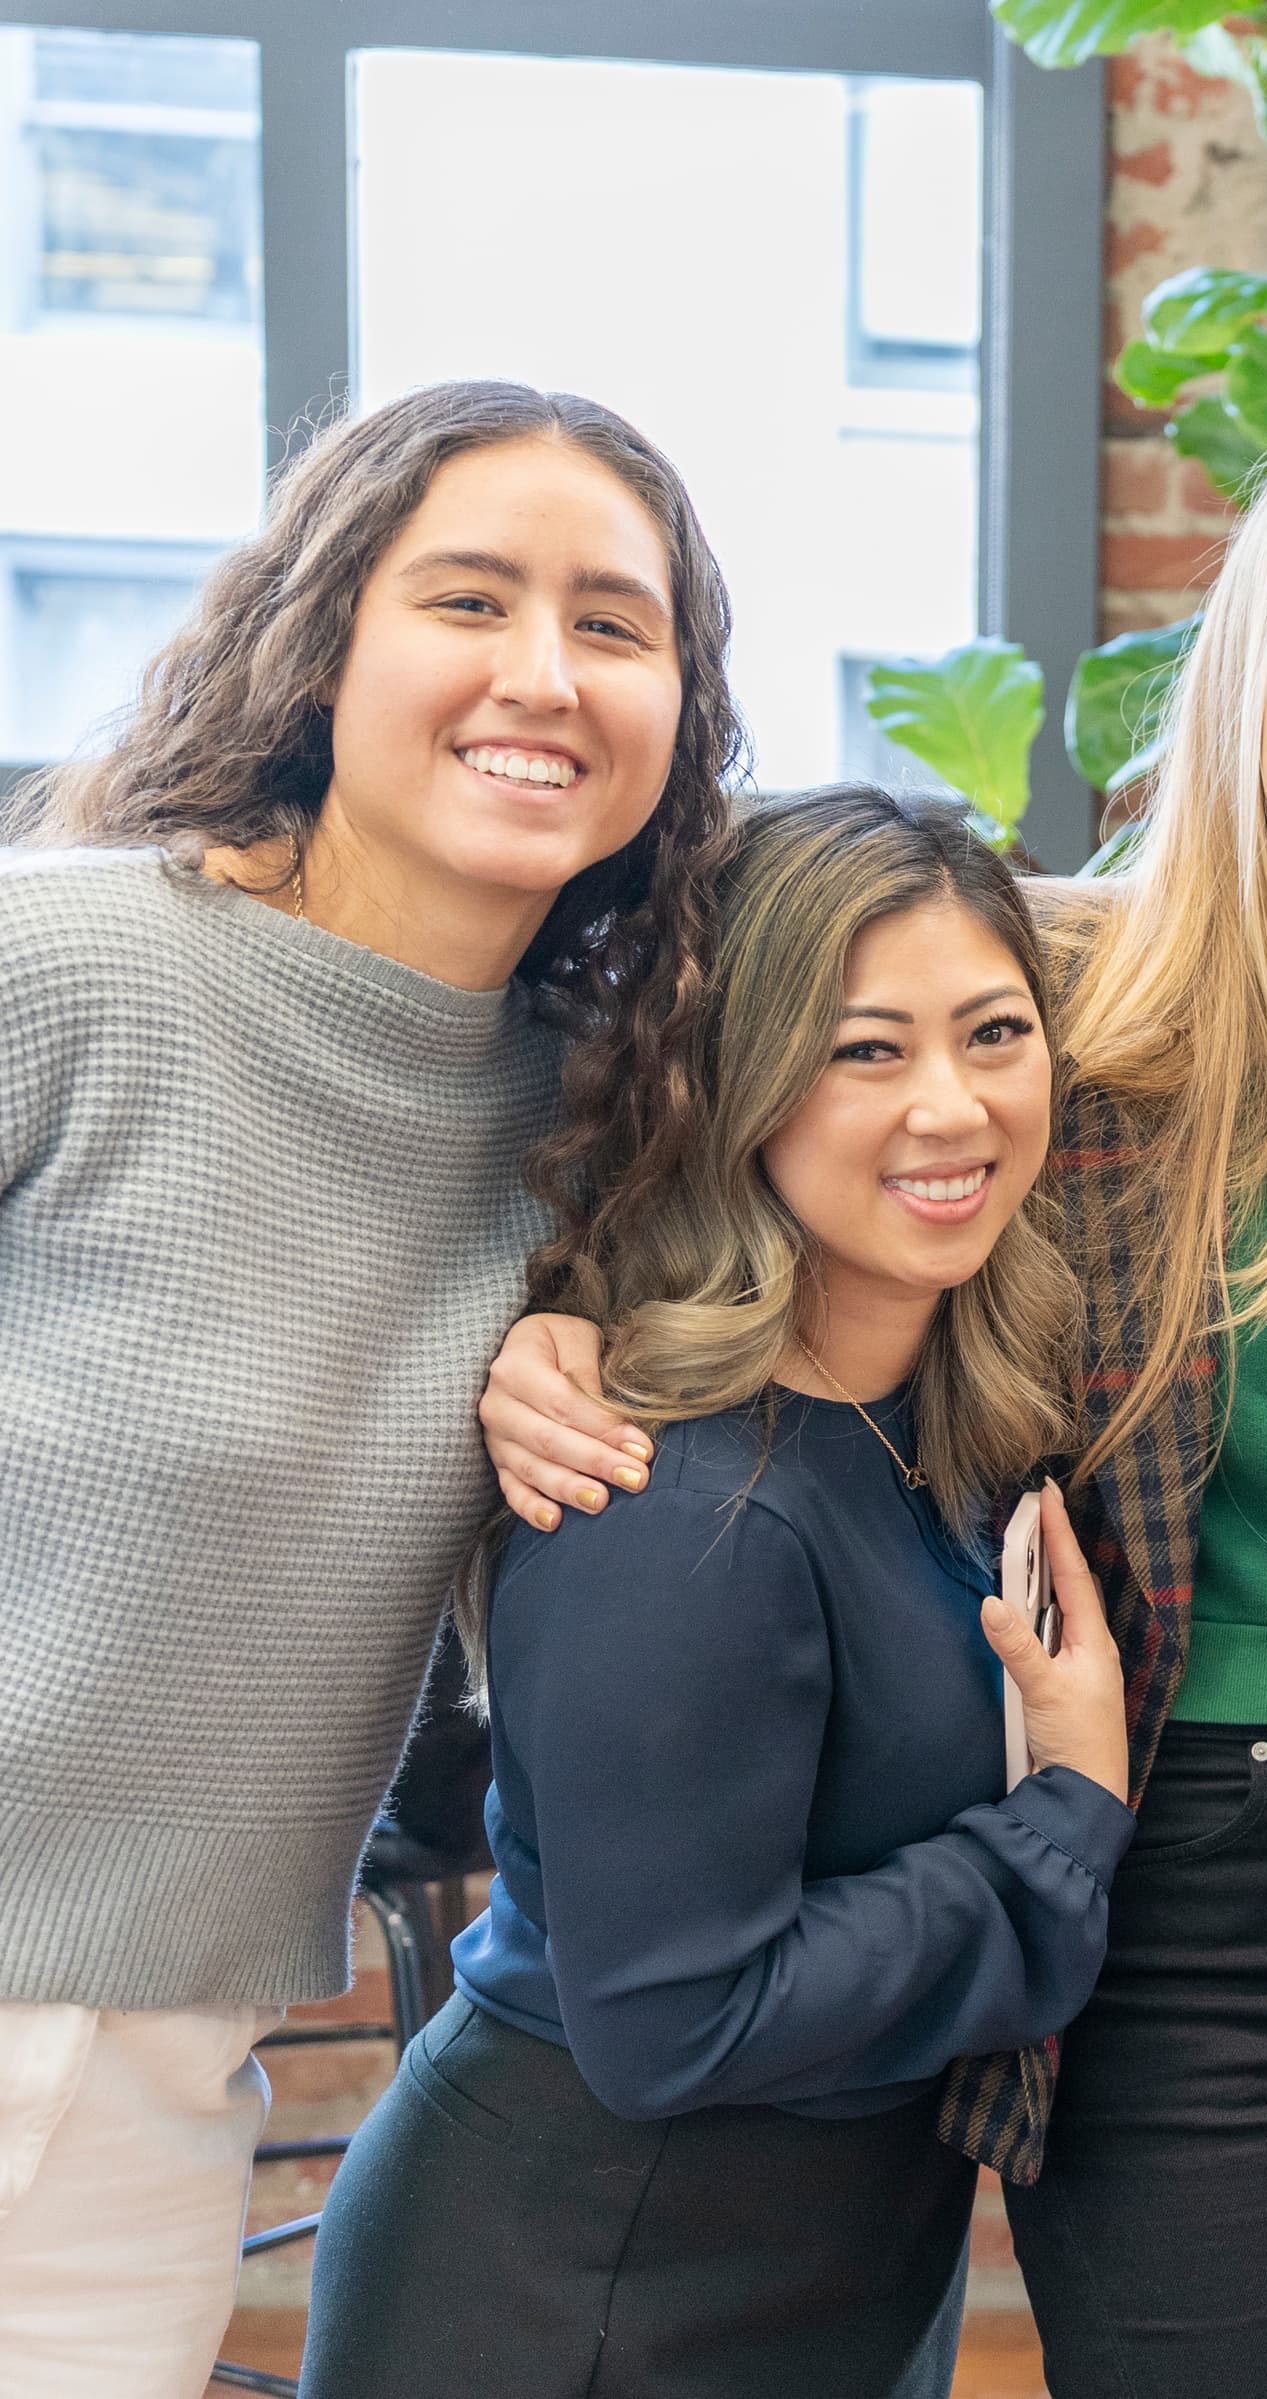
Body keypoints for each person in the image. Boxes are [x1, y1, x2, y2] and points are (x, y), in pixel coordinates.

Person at [475, 411, 1267, 2399]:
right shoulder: (1060, 1020)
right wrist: (554, 1312)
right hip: (1180, 1880)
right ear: (1245, 679)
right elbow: (718, 1086)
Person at [0, 382, 733, 2399]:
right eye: (470, 600)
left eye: (614, 622)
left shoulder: (596, 1124)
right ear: (326, 642)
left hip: (164, 2065)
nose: (542, 675)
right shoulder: (65, 973)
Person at [300, 788, 1126, 2393]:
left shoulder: (937, 1423)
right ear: (739, 1081)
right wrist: (1065, 1816)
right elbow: (677, 2022)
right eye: (866, 1048)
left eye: (996, 1032)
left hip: (809, 2281)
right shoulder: (678, 1505)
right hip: (582, 2294)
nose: (950, 1108)